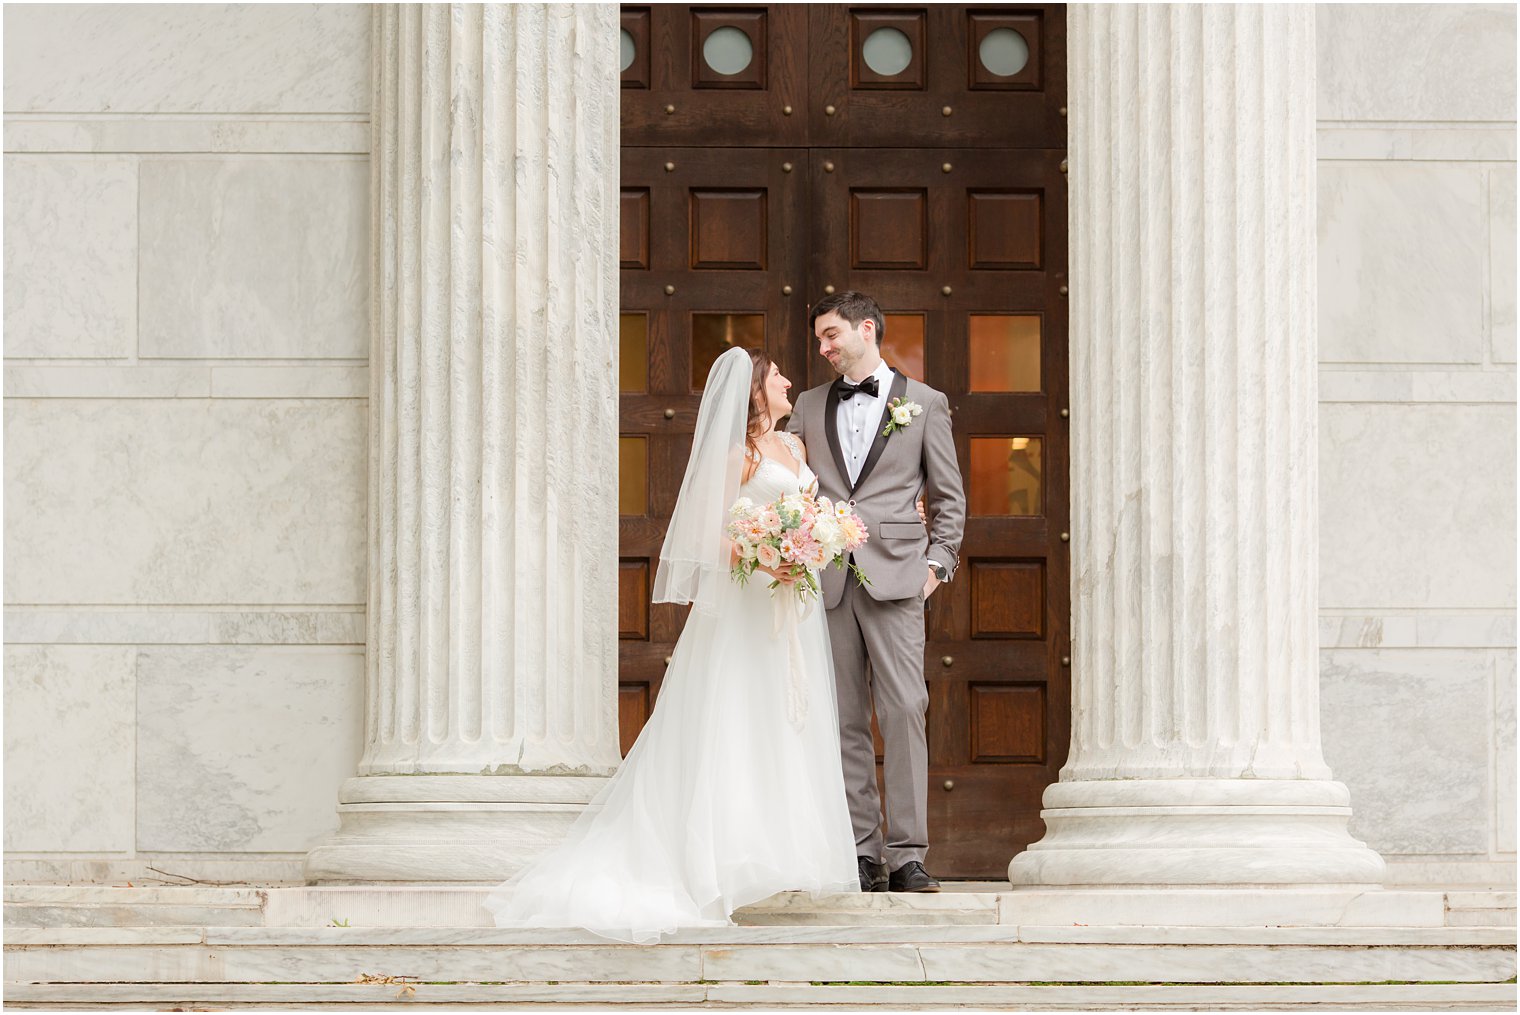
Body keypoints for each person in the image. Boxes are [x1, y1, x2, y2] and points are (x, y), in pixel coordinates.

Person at [482, 346, 858, 943]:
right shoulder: (742, 455)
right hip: (750, 602)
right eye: (779, 375)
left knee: (786, 718)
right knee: (736, 714)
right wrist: (771, 555)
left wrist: (812, 543)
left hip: (793, 607)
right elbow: (708, 535)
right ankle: (721, 861)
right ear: (757, 391)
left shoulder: (795, 448)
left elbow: (808, 513)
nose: (790, 381)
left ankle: (781, 857)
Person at [786, 291, 967, 894]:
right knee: (844, 719)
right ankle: (862, 851)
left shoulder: (925, 403)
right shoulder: (809, 406)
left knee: (904, 709)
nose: (824, 348)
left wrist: (937, 565)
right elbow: (789, 488)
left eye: (831, 335)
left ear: (867, 329)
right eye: (819, 339)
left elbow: (948, 496)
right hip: (830, 579)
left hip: (897, 578)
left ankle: (908, 854)